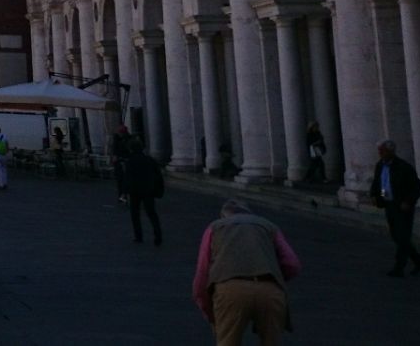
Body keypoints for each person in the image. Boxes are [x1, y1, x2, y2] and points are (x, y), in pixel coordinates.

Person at [192, 200, 301, 344]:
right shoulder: (269, 226)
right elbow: (292, 264)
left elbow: (202, 272)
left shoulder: (215, 227)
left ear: (223, 216)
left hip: (230, 289)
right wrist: (272, 276)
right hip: (269, 289)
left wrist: (208, 310)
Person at [371, 139, 420, 277]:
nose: (380, 153)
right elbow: (379, 183)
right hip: (389, 204)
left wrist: (408, 201)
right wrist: (375, 195)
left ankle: (399, 267)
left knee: (402, 237)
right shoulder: (380, 165)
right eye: (379, 150)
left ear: (390, 151)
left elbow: (418, 187)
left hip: (402, 206)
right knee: (396, 236)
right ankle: (419, 260)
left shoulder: (403, 167)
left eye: (382, 151)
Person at [125, 143, 165, 246]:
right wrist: (158, 190)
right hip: (148, 190)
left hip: (135, 191)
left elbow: (127, 178)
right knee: (152, 214)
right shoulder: (150, 160)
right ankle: (158, 236)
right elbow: (158, 176)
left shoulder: (130, 161)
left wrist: (125, 191)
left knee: (135, 214)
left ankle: (138, 236)